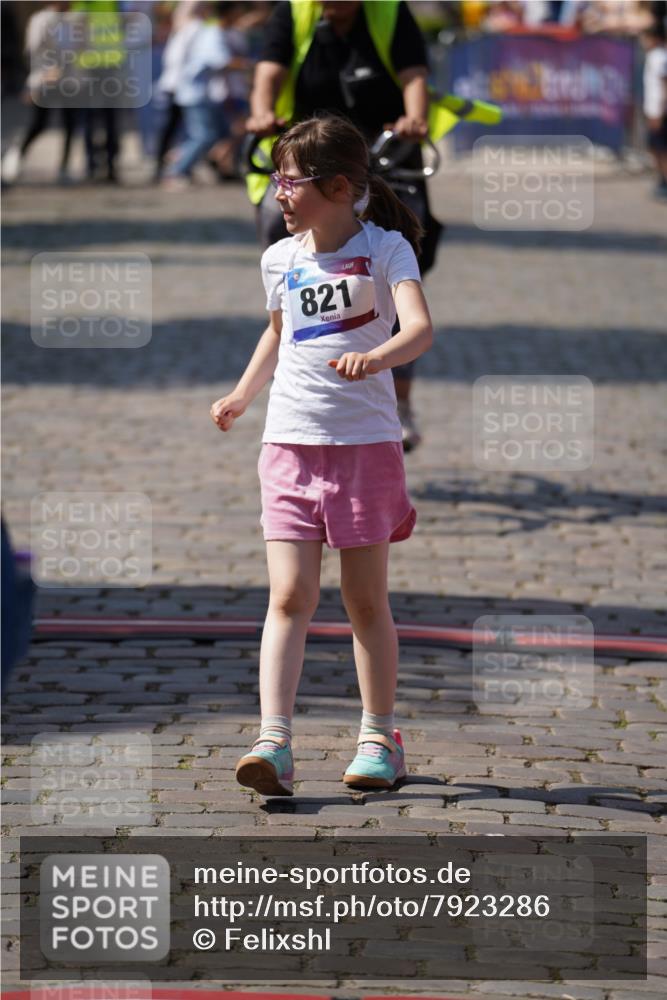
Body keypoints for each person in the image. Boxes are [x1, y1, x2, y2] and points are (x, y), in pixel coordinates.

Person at [210, 115, 433, 797]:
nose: (277, 192)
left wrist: (376, 358)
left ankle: (378, 737)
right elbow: (277, 332)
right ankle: (272, 742)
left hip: (364, 450)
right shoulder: (280, 257)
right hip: (287, 444)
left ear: (337, 187)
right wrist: (243, 393)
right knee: (289, 595)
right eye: (275, 178)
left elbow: (419, 329)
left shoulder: (386, 248)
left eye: (290, 180)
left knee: (364, 602)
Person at [246, 0, 442, 452]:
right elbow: (268, 74)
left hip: (381, 157)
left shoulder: (389, 13)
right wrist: (261, 113)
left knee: (394, 287)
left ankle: (400, 401)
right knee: (280, 228)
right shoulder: (292, 14)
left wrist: (415, 117)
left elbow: (414, 75)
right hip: (305, 158)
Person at [640, 21, 667, 199]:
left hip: (660, 112)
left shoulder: (659, 56)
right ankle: (662, 180)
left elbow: (664, 85)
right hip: (654, 111)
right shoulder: (653, 56)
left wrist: (660, 112)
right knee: (654, 147)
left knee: (662, 149)